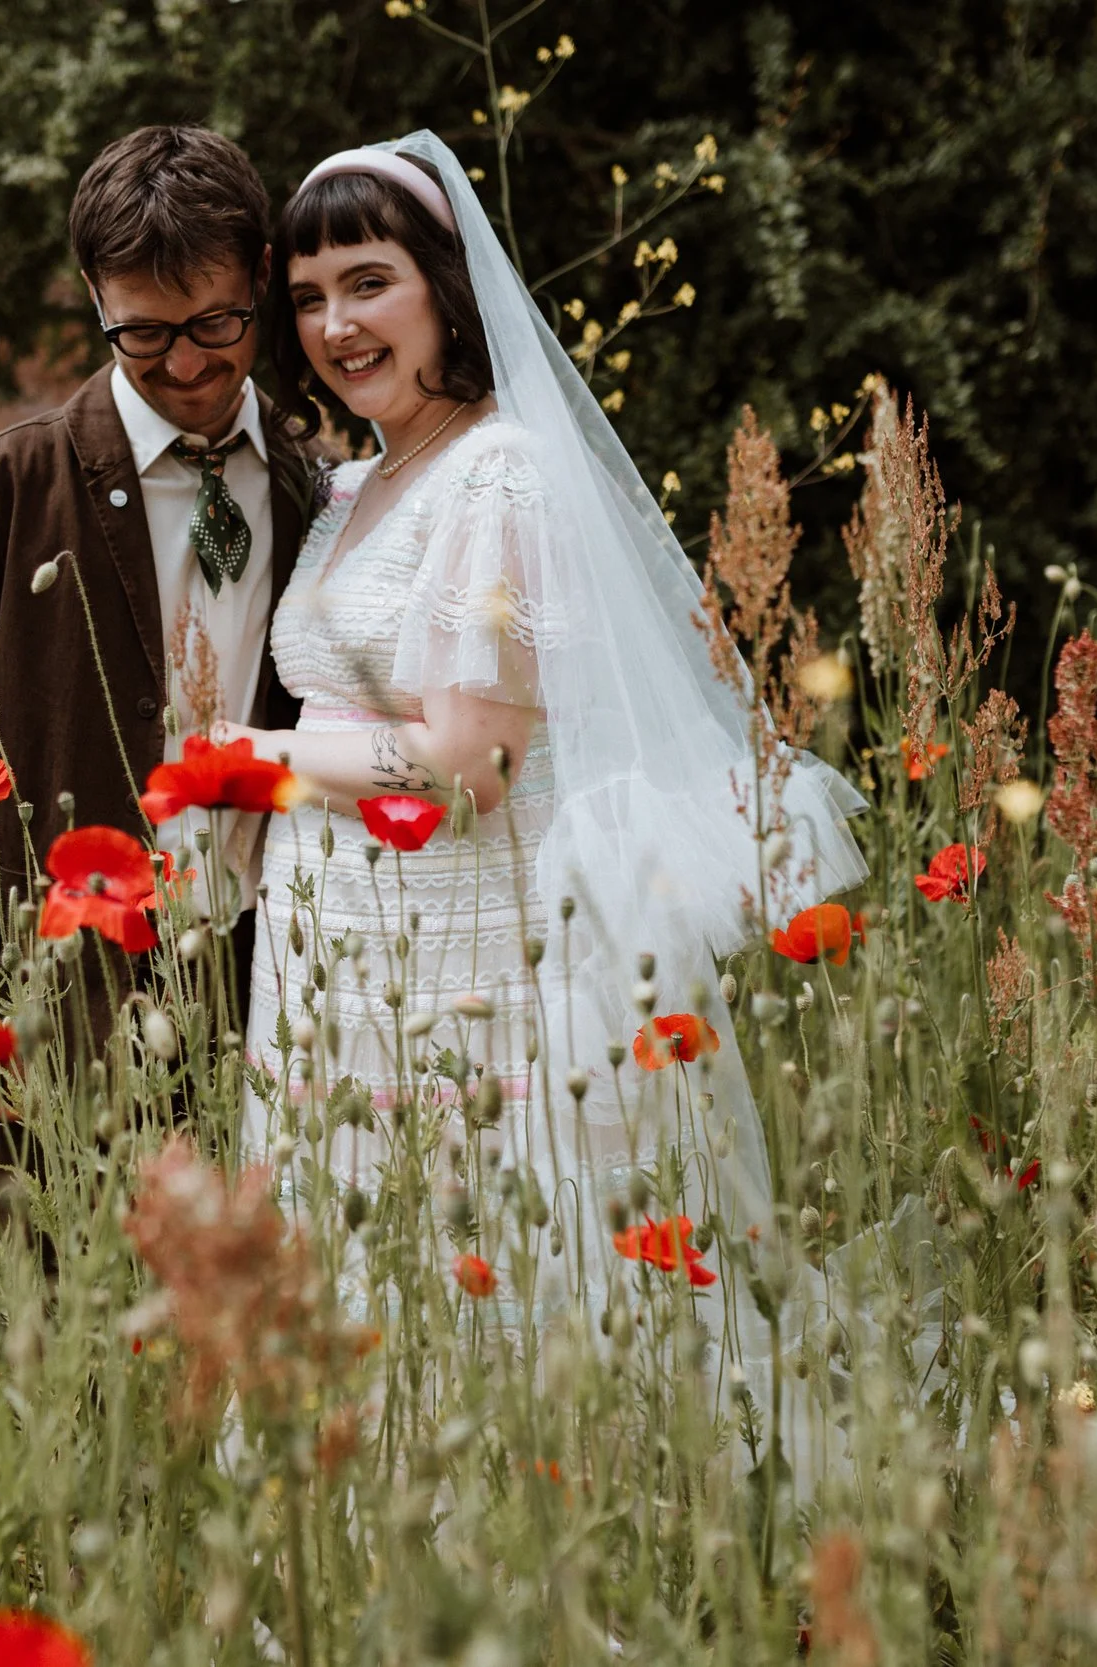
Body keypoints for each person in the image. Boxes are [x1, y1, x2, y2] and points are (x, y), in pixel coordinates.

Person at [218, 135, 875, 1460]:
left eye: (369, 280)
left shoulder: (500, 474)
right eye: (308, 297)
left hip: (466, 955)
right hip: (339, 956)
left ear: (445, 288)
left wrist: (247, 757)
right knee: (359, 1251)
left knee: (483, 1259)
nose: (337, 324)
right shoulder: (354, 487)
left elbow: (470, 763)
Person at [0, 125, 319, 1037]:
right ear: (94, 296)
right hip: (61, 993)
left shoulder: (310, 479)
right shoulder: (1, 488)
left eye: (216, 322)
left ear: (263, 277)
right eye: (144, 333)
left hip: (268, 979)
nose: (189, 364)